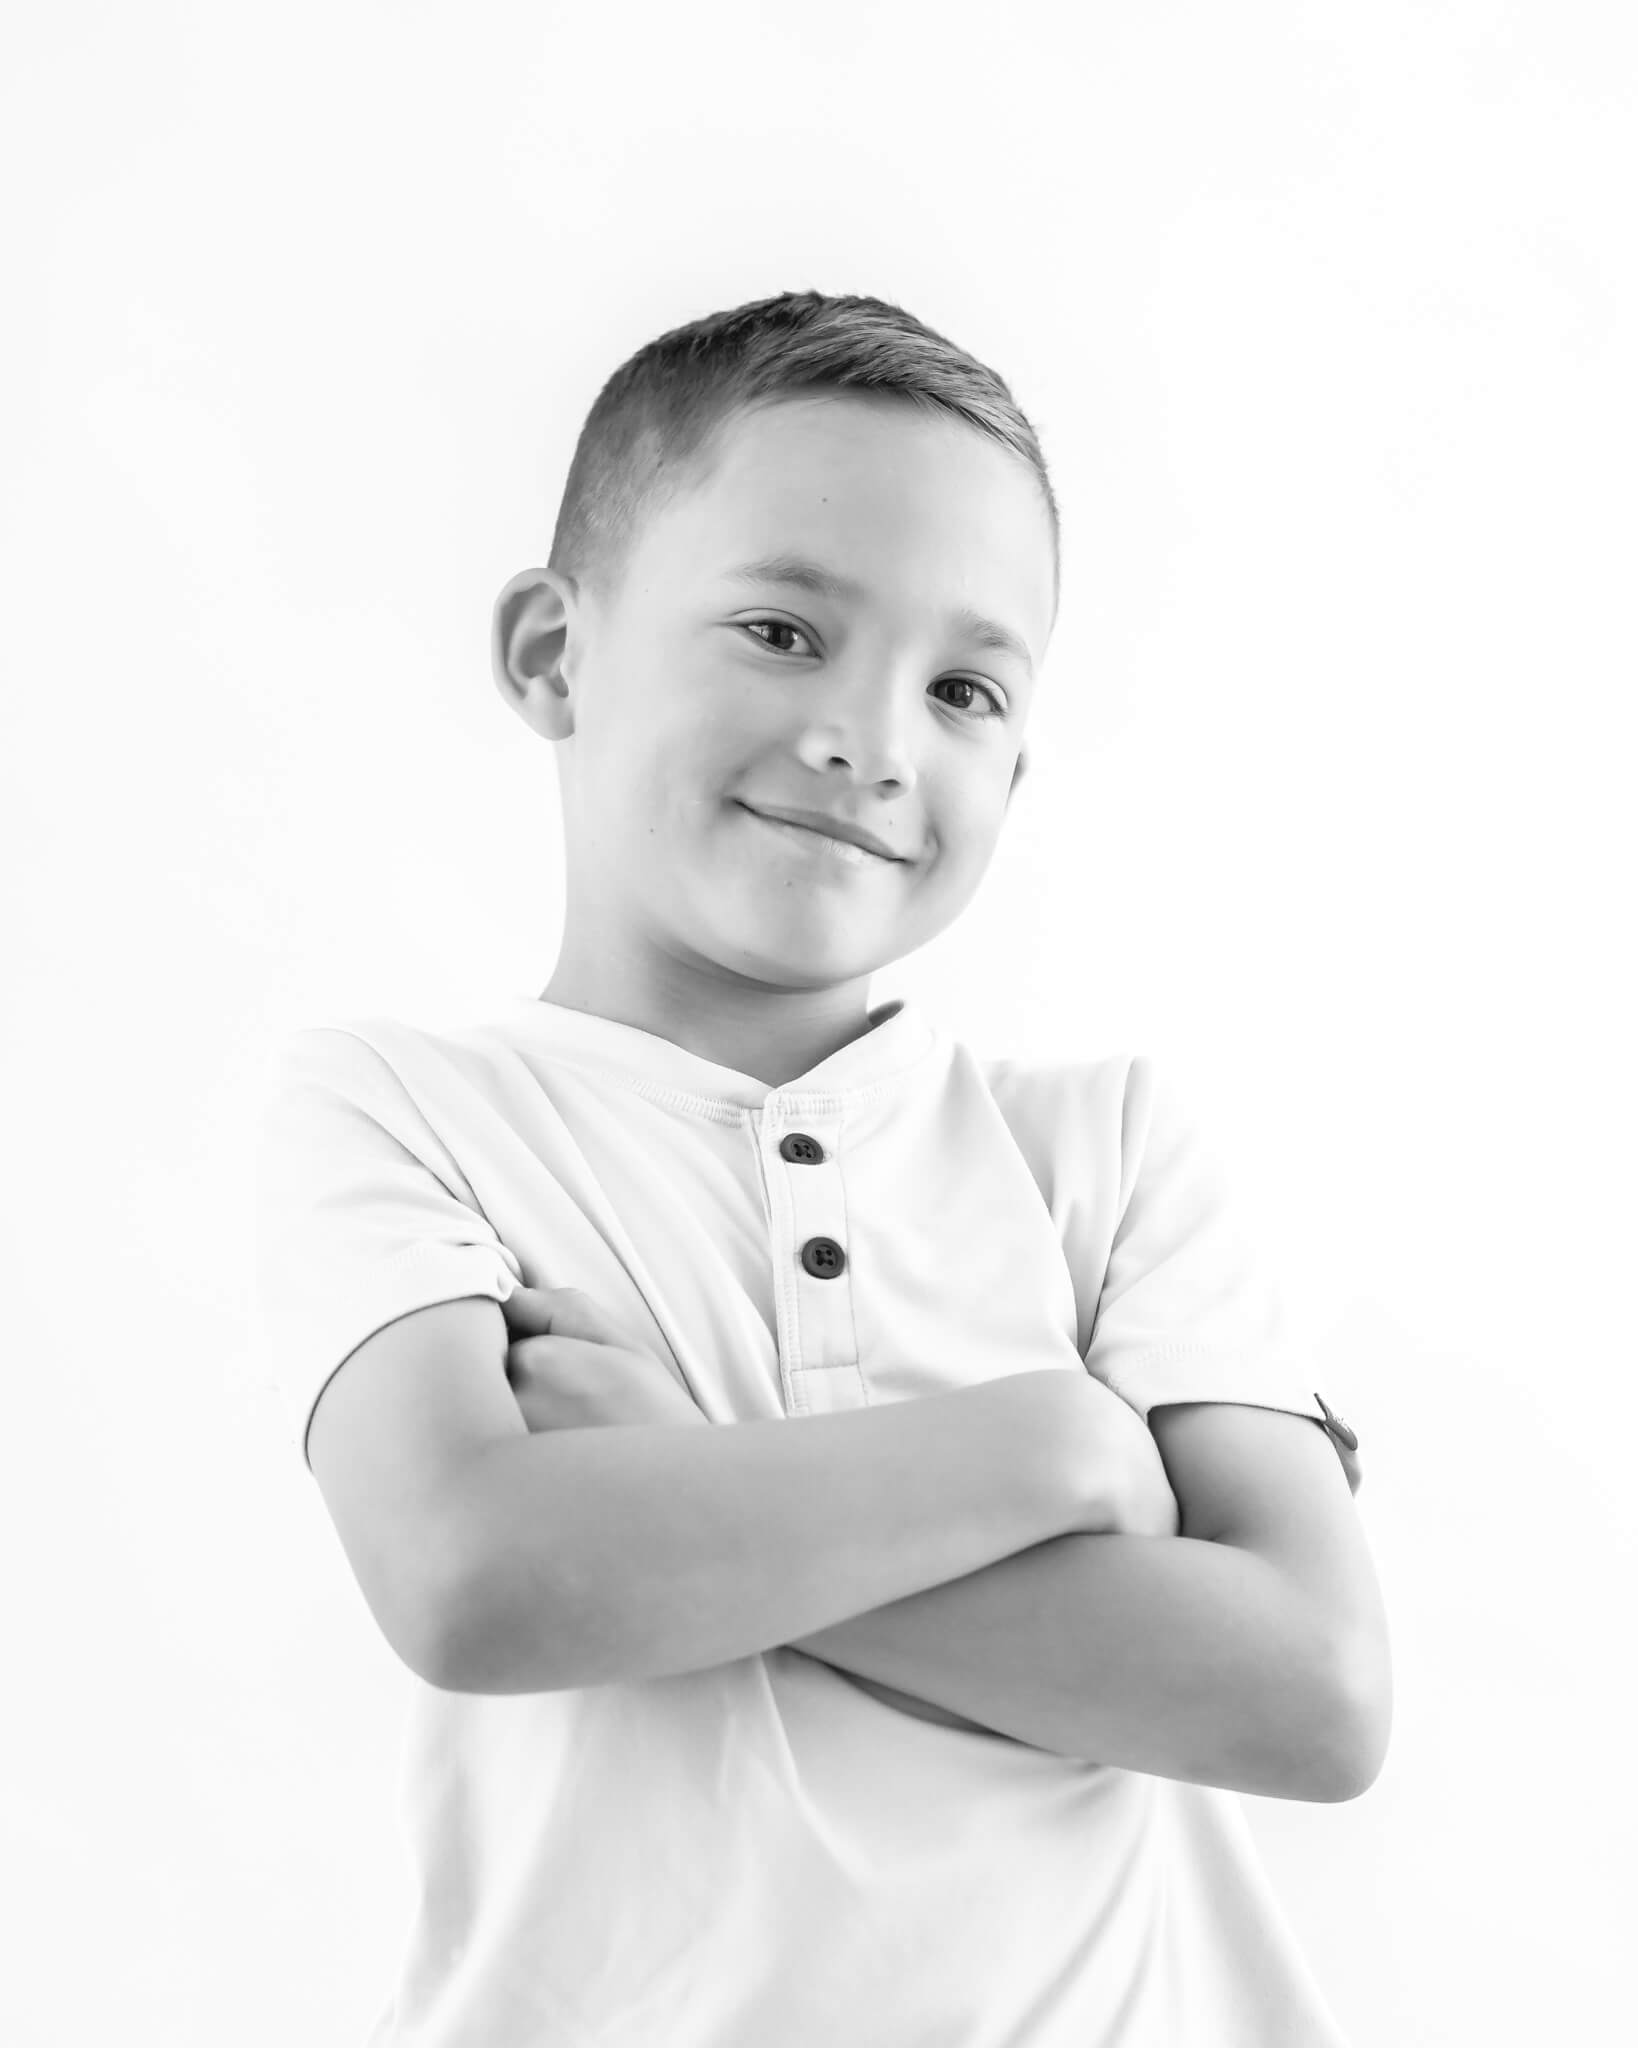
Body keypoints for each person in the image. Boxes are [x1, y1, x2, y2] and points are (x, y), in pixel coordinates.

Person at [252, 288, 1387, 2047]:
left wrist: (679, 1492)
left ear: (1017, 758)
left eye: (962, 686)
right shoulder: (399, 1109)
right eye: (782, 630)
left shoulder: (1104, 1146)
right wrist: (1052, 1447)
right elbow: (479, 1577)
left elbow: (1305, 1698)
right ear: (557, 651)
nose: (873, 738)